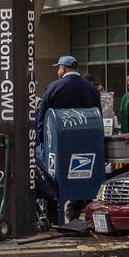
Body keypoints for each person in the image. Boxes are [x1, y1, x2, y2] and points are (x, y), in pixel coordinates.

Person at [35, 55, 103, 223]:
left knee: (54, 177)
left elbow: (42, 117)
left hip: (58, 144)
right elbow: (99, 115)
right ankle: (76, 210)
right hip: (87, 143)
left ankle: (52, 212)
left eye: (58, 68)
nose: (58, 70)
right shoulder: (92, 89)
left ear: (63, 69)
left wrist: (41, 139)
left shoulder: (53, 87)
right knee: (82, 176)